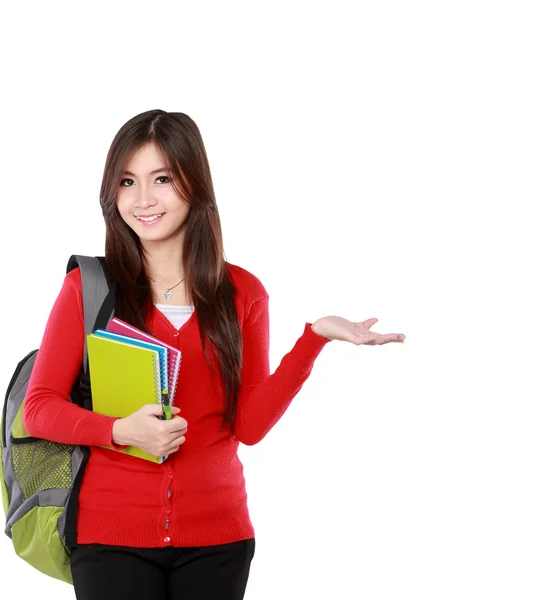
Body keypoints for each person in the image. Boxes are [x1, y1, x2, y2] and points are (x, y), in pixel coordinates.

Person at [23, 109, 406, 600]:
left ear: (194, 183)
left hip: (218, 537)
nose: (142, 200)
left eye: (161, 178)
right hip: (110, 536)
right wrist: (119, 430)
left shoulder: (243, 292)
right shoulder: (89, 288)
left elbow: (248, 427)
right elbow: (39, 409)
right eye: (126, 181)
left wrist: (314, 339)